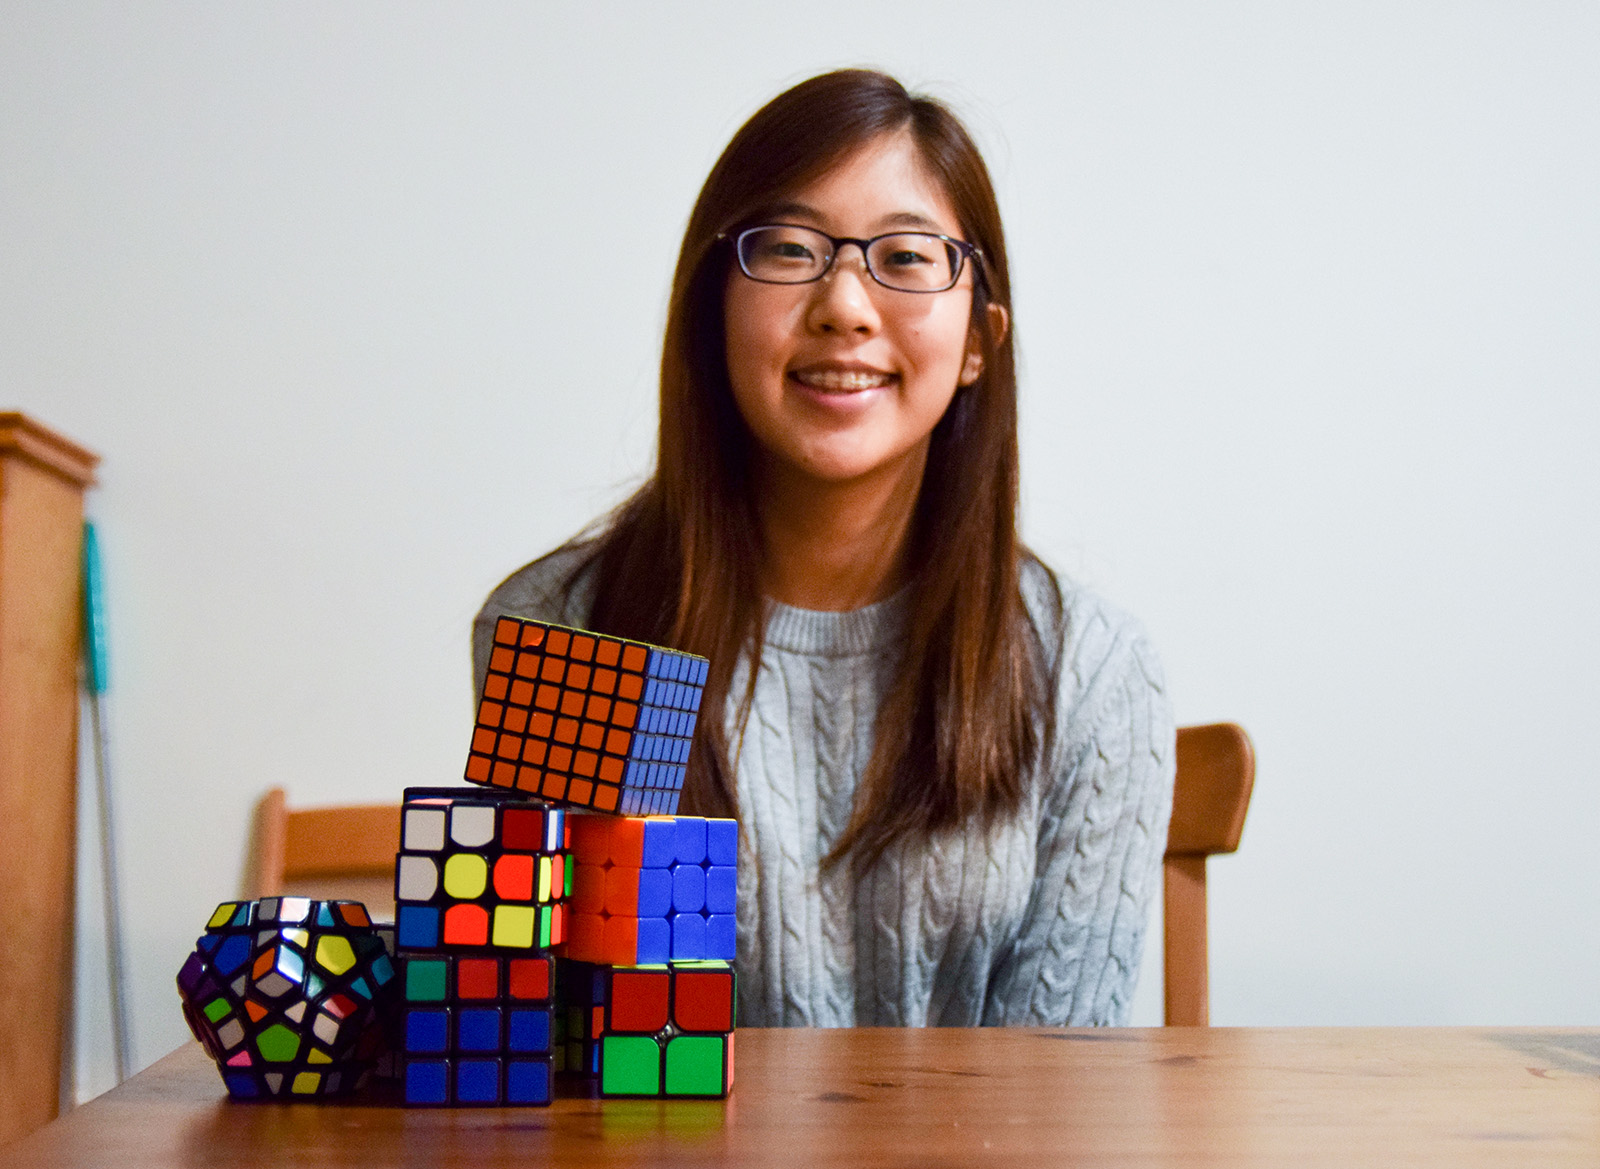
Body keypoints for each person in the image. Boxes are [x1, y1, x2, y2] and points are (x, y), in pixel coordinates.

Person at [474, 69, 1174, 1026]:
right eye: (792, 249)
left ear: (979, 340)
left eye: (908, 257)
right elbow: (553, 1052)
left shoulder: (1093, 672)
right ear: (712, 306)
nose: (845, 303)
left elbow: (1057, 1097)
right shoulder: (567, 629)